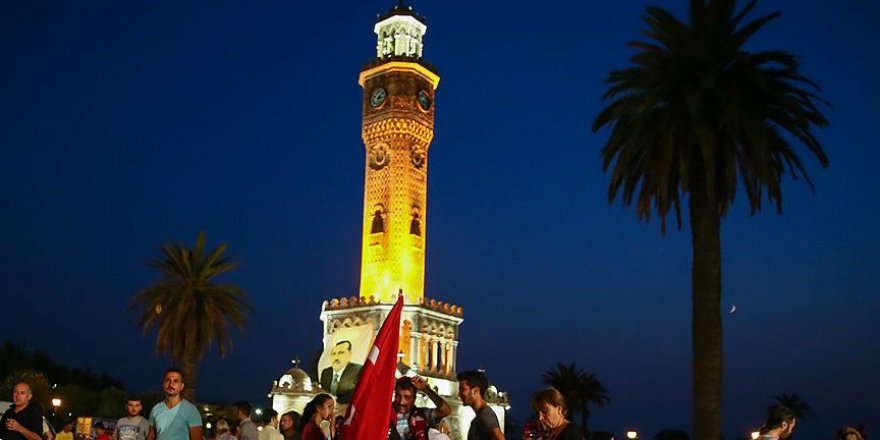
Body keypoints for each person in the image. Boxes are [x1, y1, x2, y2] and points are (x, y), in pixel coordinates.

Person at [146, 368, 203, 440]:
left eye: (175, 381)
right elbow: (151, 436)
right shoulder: (156, 409)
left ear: (181, 386)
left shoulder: (191, 410)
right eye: (168, 380)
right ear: (163, 384)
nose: (171, 384)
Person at [456, 371, 504, 440]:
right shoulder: (481, 415)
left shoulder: (486, 414)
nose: (459, 394)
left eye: (462, 389)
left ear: (475, 390)